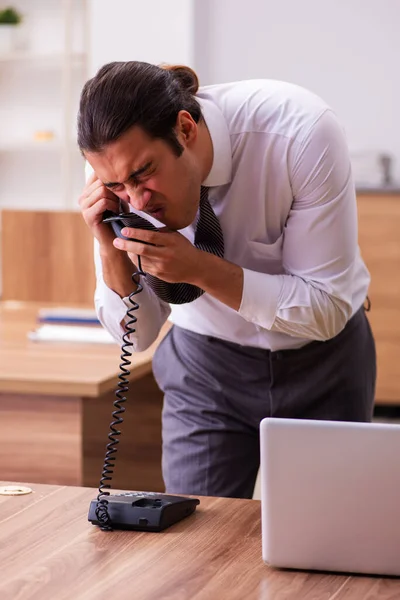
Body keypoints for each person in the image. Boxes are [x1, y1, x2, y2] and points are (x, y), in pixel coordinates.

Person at [77, 61, 376, 499]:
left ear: (185, 129)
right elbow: (138, 337)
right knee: (196, 551)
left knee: (332, 547)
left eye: (144, 173)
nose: (137, 198)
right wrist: (109, 248)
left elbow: (325, 309)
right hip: (204, 371)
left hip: (324, 364)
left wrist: (198, 268)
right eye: (118, 185)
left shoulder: (302, 133)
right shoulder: (116, 178)